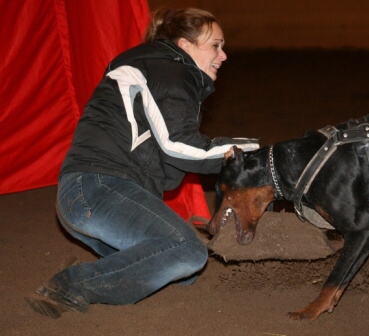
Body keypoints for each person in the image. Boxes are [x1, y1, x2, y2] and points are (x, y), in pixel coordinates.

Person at [25, 7, 259, 319]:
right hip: (100, 190)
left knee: (182, 272)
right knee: (188, 252)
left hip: (85, 195)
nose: (223, 55)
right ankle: (71, 285)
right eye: (216, 45)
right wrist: (256, 152)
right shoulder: (172, 71)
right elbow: (178, 146)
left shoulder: (153, 65)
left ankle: (98, 272)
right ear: (185, 46)